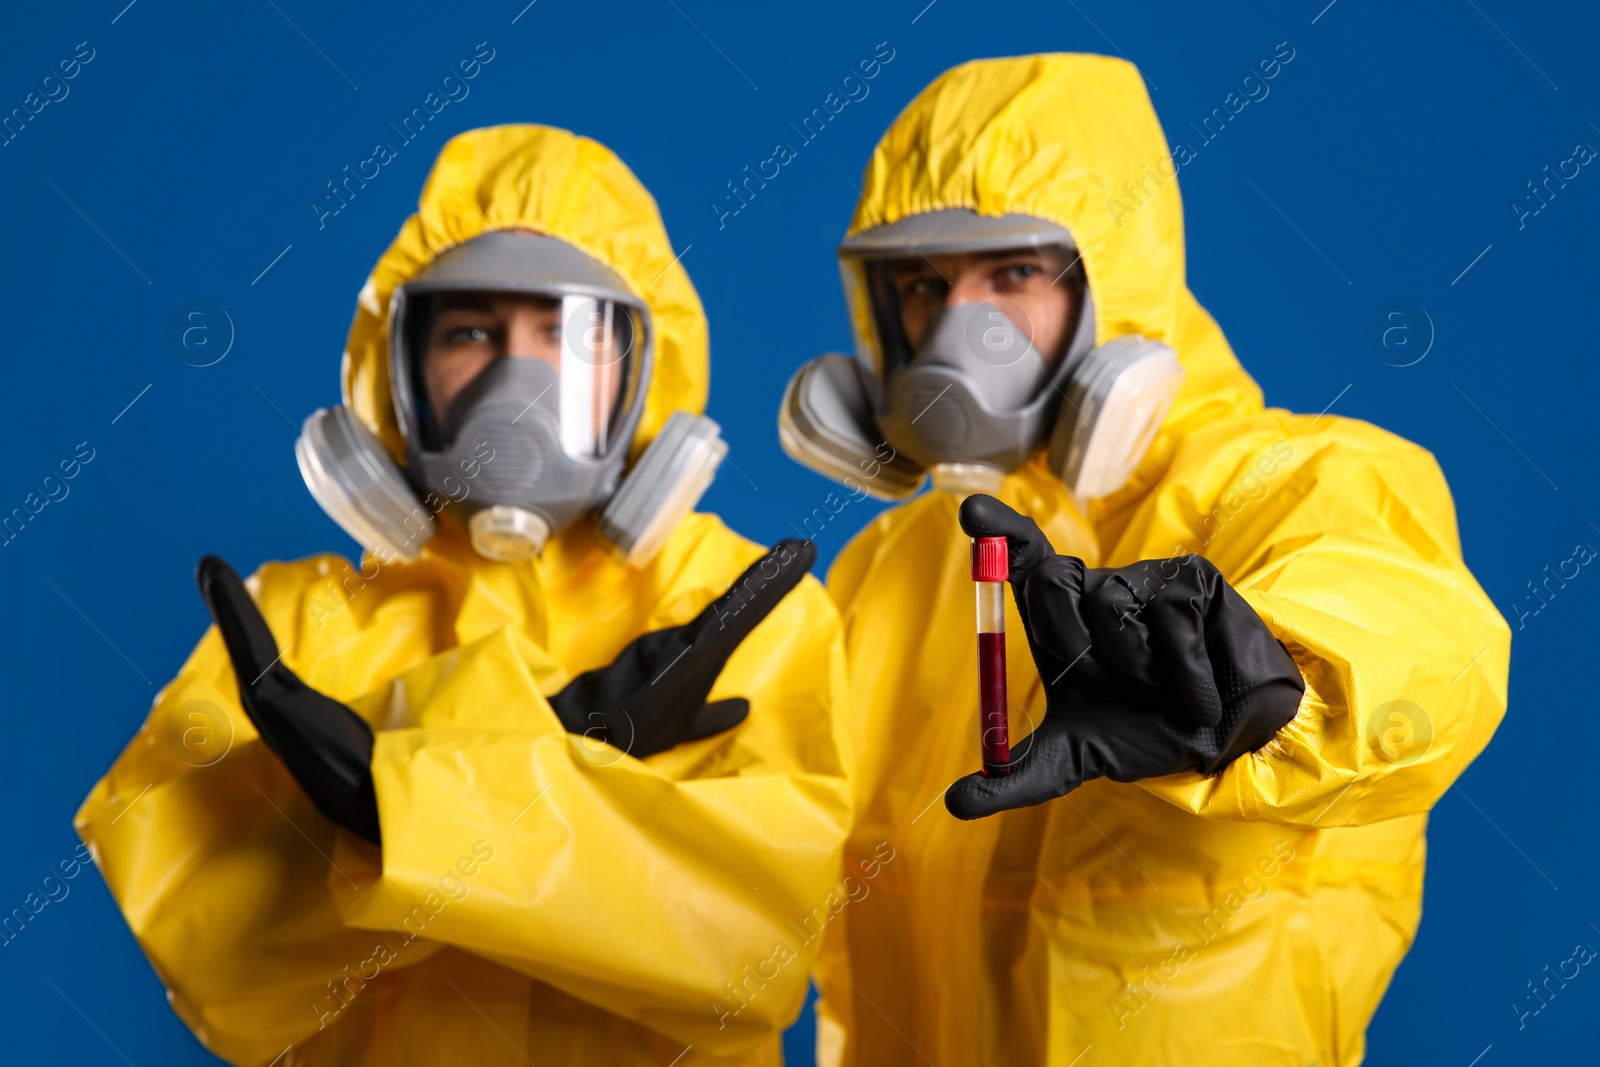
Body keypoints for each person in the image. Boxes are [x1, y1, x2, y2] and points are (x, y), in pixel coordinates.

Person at [778, 54, 1510, 1065]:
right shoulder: (890, 568)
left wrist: (1263, 677)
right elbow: (769, 863)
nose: (959, 328)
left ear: (1112, 278)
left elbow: (1424, 645)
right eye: (921, 284)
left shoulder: (1291, 481)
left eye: (1014, 274)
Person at [76, 125, 852, 1067]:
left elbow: (754, 947)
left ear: (641, 371)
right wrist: (561, 766)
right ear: (399, 371)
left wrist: (389, 802)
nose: (517, 382)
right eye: (471, 331)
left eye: (568, 335)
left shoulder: (737, 611)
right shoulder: (292, 622)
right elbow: (215, 968)